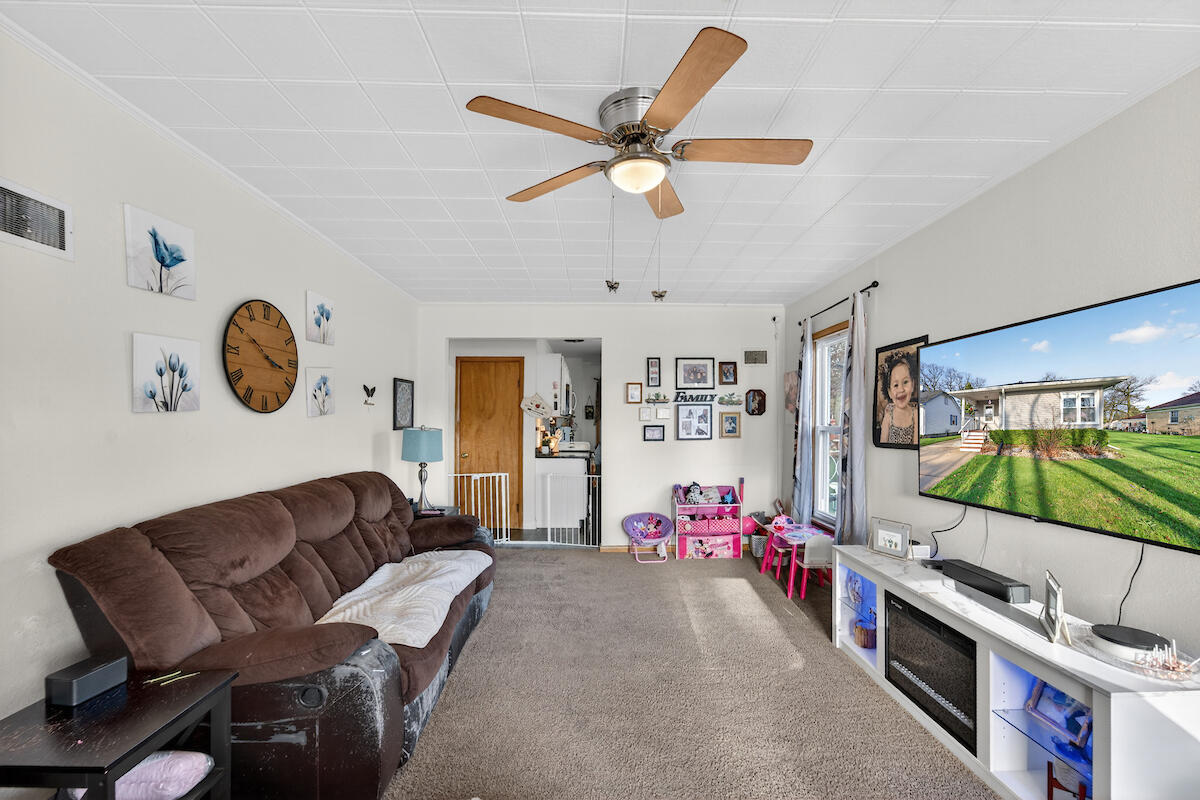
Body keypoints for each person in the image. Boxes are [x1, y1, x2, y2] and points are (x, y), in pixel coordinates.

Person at [879, 350, 917, 445]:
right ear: (889, 392)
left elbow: (916, 444)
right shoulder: (888, 416)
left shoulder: (915, 414)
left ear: (912, 385)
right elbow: (883, 443)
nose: (901, 389)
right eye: (896, 385)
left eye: (905, 382)